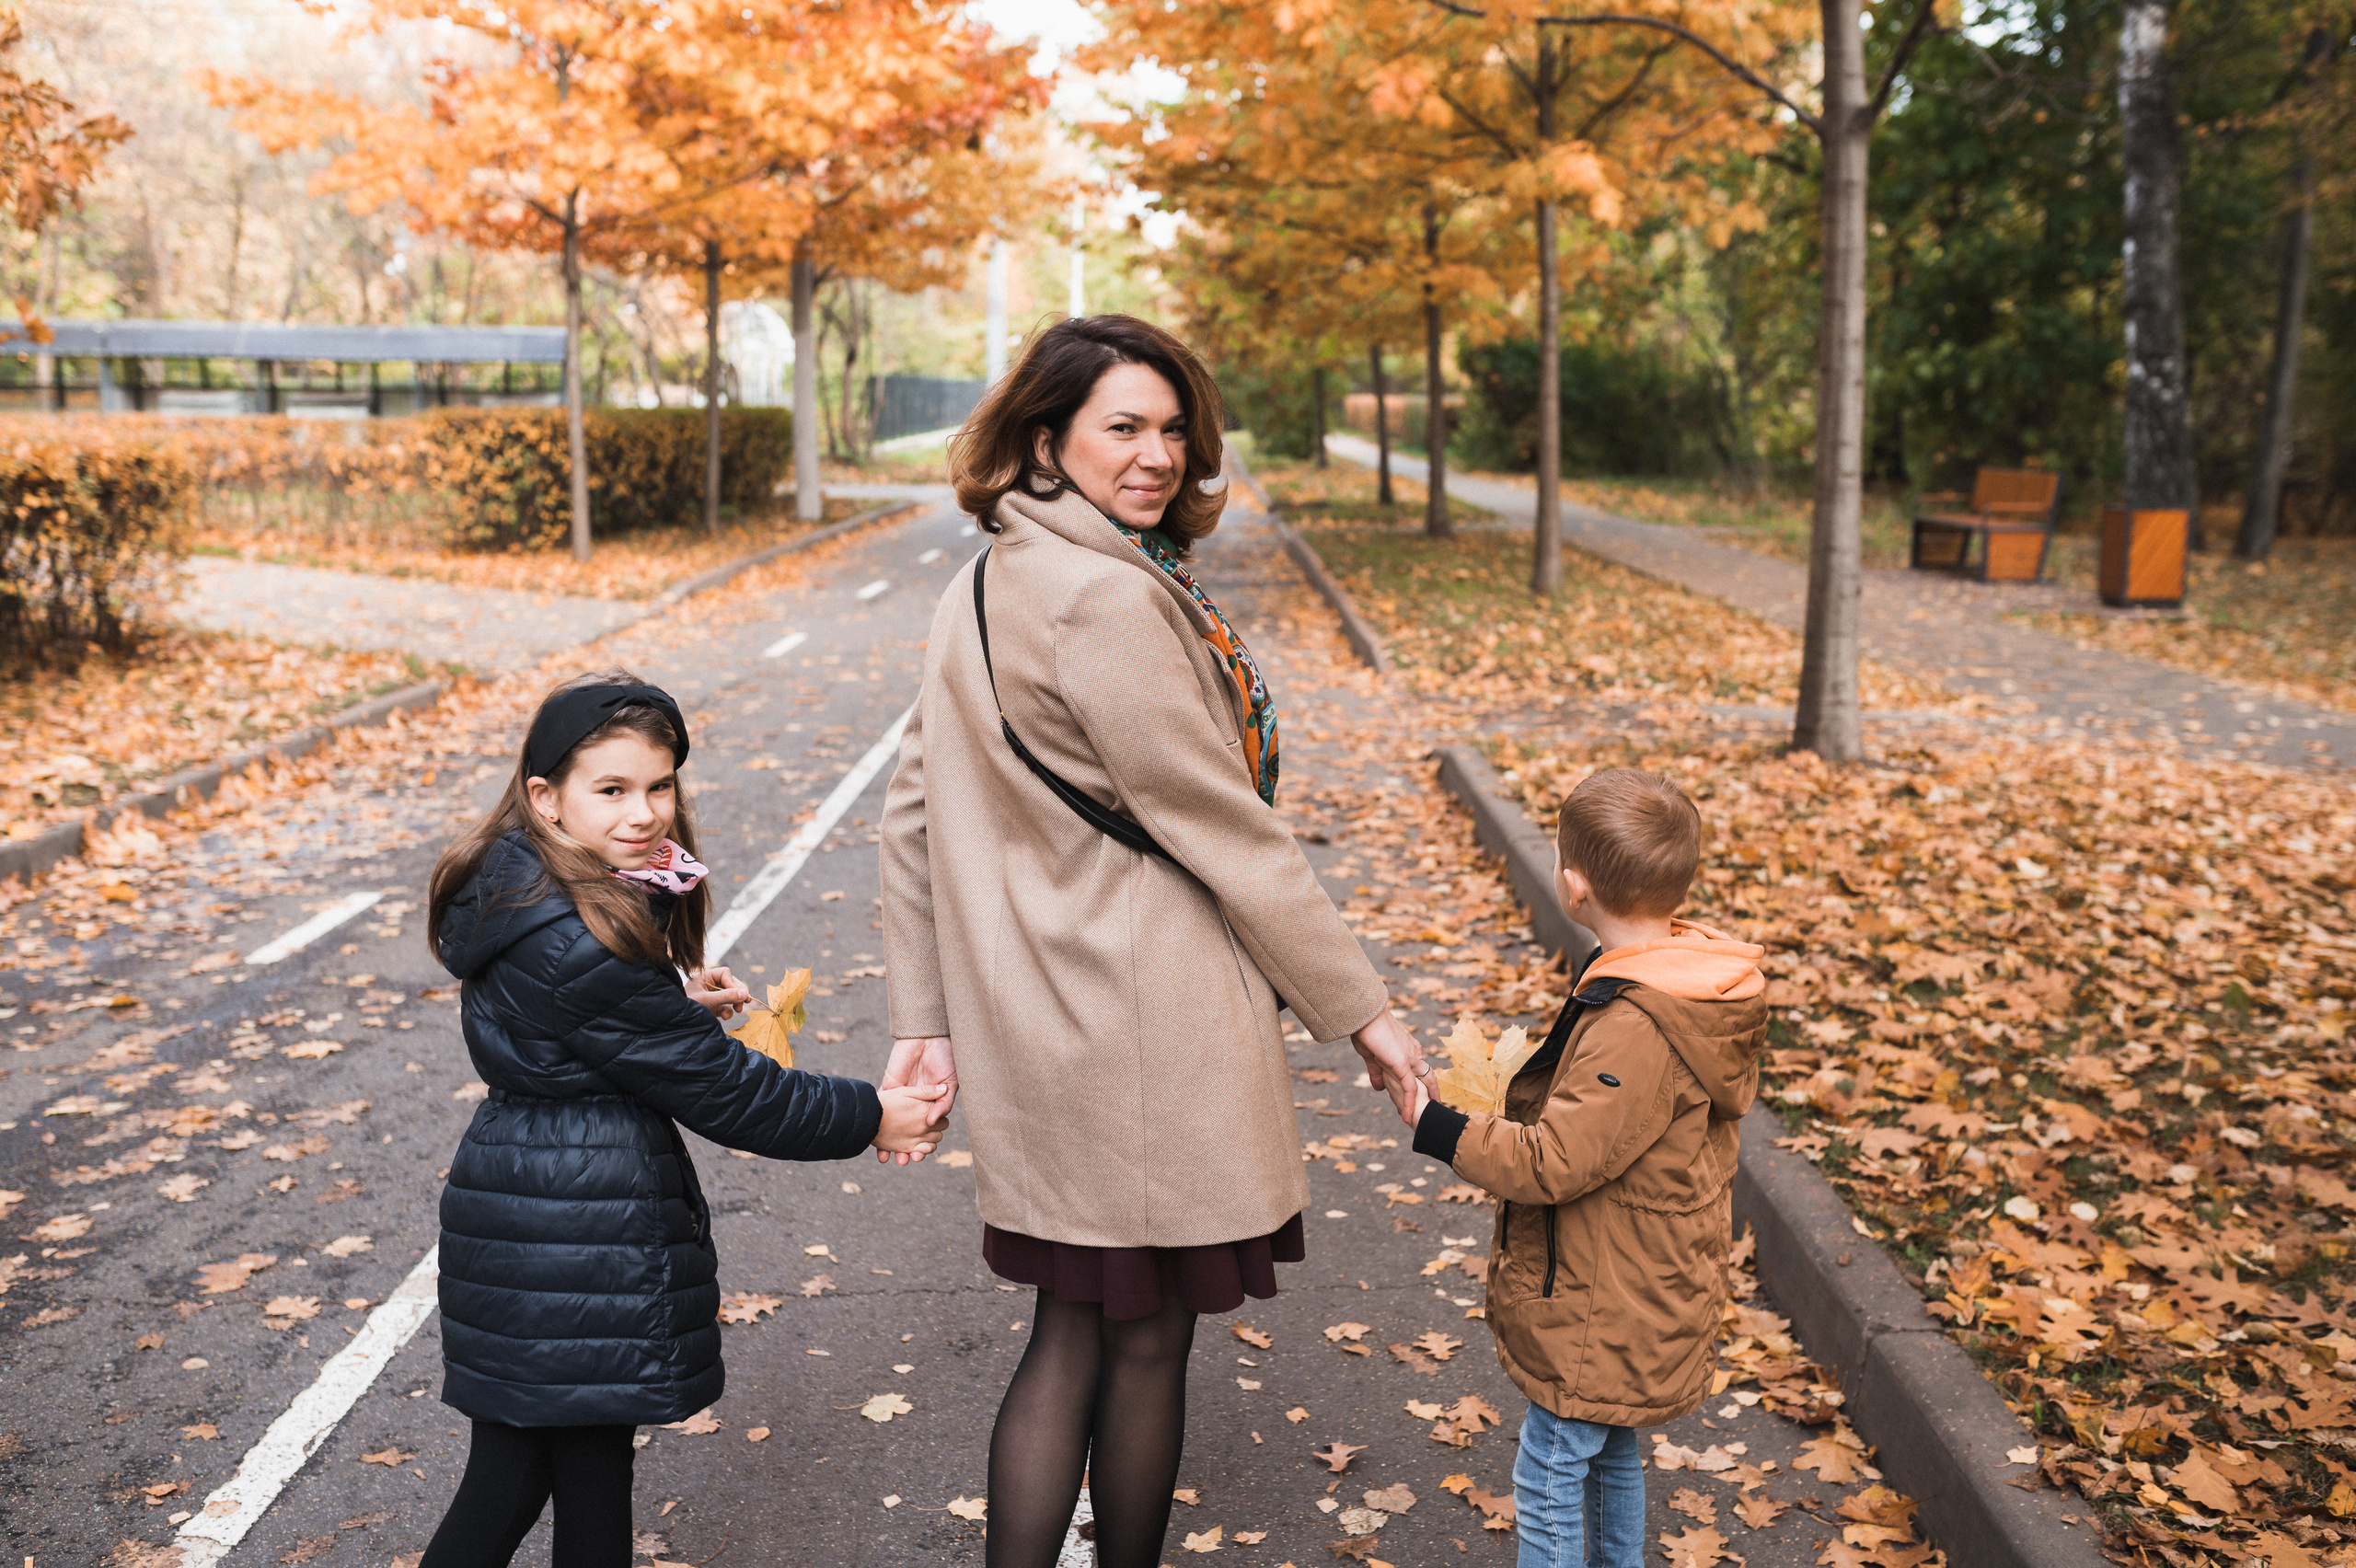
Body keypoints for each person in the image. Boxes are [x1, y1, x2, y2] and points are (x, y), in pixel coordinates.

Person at [876, 314, 1434, 1568]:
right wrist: (1366, 1013)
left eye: (1173, 427)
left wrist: (926, 1020)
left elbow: (911, 815)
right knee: (1137, 1341)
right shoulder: (1105, 603)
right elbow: (1226, 832)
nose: (1158, 454)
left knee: (1069, 1328)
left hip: (1044, 1017)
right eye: (1123, 427)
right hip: (1141, 1020)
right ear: (1046, 439)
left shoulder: (988, 580)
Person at [418, 669, 946, 1568]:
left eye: (659, 786)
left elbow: (576, 1026)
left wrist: (669, 1001)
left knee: (568, 1478)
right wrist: (872, 1116)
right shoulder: (574, 936)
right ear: (545, 798)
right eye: (613, 790)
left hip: (538, 1210)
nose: (645, 813)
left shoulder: (523, 886)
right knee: (521, 1486)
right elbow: (732, 1093)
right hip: (572, 1232)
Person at [1403, 767, 1767, 1568]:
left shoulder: (1639, 1022)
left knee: (1549, 1473)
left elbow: (1556, 1161)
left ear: (1572, 887)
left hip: (1608, 1297)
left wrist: (1442, 1129)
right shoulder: (1690, 982)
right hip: (1645, 1278)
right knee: (1607, 1456)